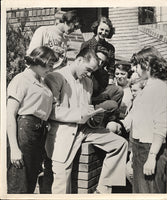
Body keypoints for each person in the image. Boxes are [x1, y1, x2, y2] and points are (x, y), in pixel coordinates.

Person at [44, 47, 128, 194]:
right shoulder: (55, 77)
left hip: (85, 130)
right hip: (64, 133)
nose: (89, 74)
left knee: (120, 144)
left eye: (92, 71)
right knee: (62, 180)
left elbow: (86, 109)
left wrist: (94, 115)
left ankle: (102, 190)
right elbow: (51, 111)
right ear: (79, 60)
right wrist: (80, 114)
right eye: (88, 69)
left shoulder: (87, 82)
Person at [114, 46, 167, 193]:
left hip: (151, 149)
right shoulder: (148, 87)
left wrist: (152, 157)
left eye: (137, 65)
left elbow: (162, 126)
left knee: (150, 192)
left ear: (147, 64)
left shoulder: (160, 88)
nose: (134, 69)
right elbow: (137, 118)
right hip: (140, 148)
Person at [7, 46, 57, 193]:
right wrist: (15, 149)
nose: (51, 69)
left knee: (30, 181)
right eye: (49, 65)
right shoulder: (21, 79)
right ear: (39, 62)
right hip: (25, 131)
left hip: (39, 133)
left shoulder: (42, 81)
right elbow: (10, 114)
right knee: (19, 182)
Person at [81, 16, 116, 84]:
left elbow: (111, 67)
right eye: (101, 29)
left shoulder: (110, 48)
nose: (103, 33)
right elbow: (80, 63)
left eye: (106, 31)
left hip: (101, 79)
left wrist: (110, 80)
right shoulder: (86, 44)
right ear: (96, 28)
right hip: (85, 78)